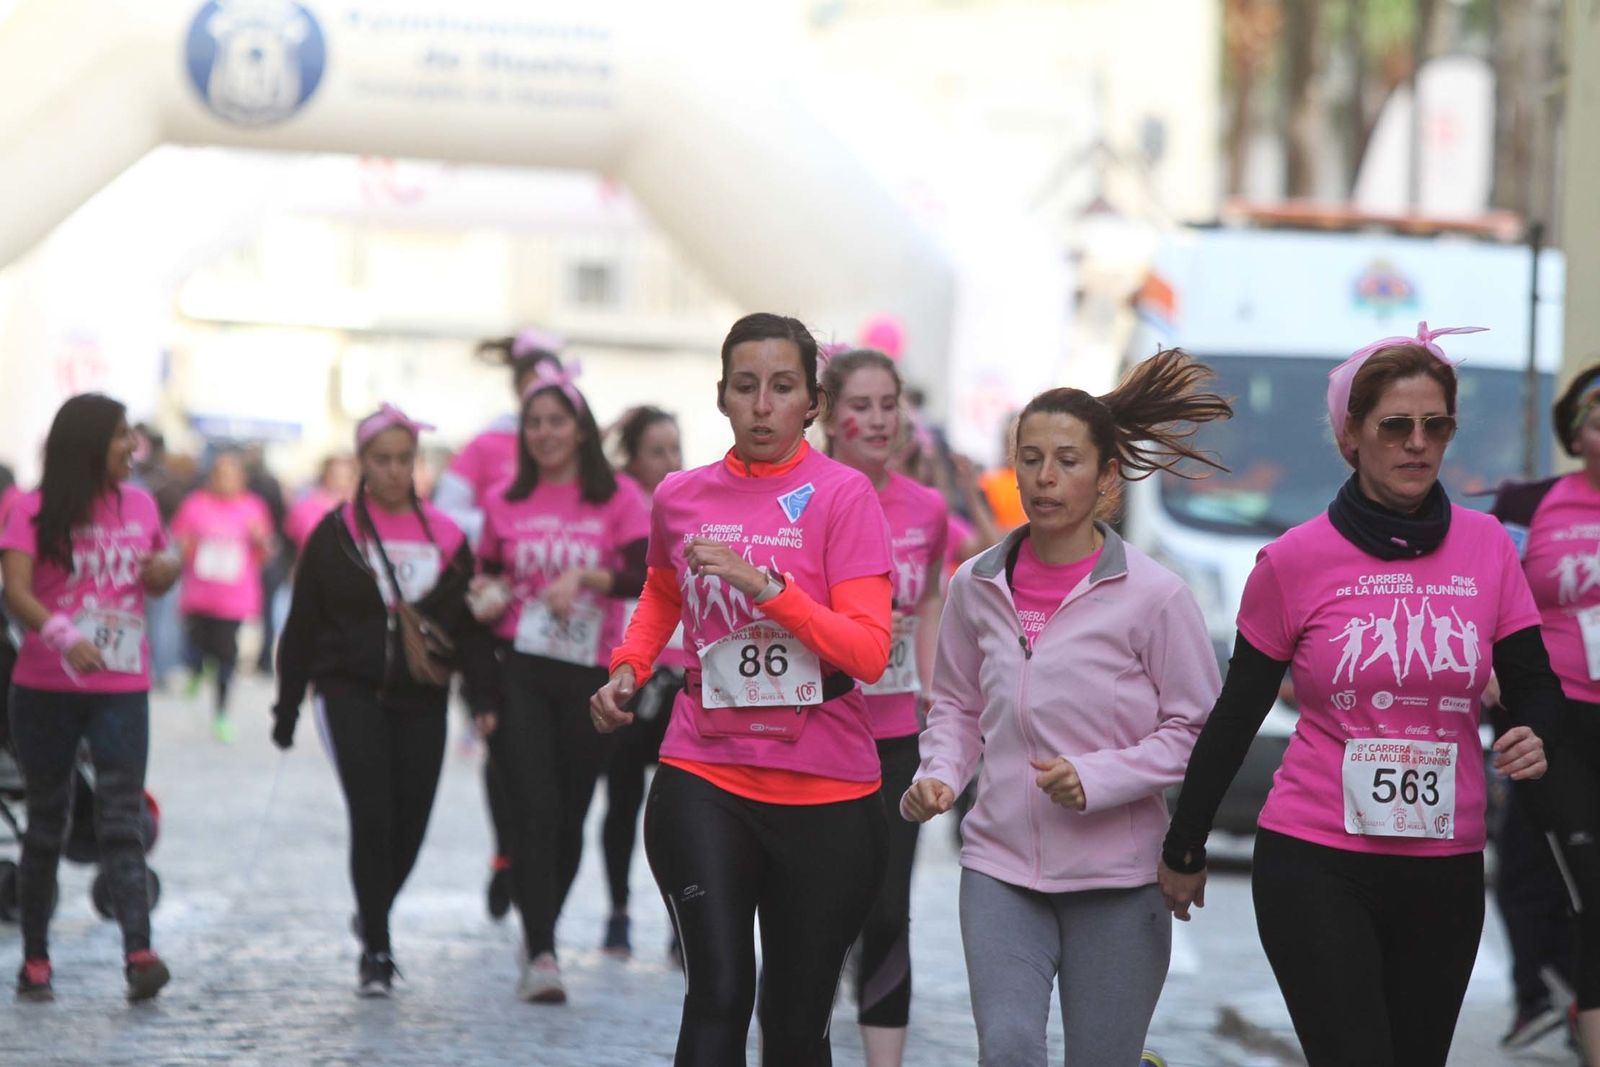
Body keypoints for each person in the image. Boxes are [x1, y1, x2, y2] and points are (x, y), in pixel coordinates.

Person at [1160, 323, 1560, 1066]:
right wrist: (1185, 842)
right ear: (1352, 436)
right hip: (1316, 857)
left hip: (1445, 861)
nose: (1418, 443)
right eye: (1396, 426)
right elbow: (1239, 709)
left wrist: (1534, 728)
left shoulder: (1486, 550)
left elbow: (1534, 684)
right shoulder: (1294, 560)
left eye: (1435, 425)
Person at [901, 351, 1229, 1065]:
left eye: (1068, 460)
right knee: (1010, 1049)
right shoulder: (974, 584)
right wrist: (940, 774)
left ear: (1107, 476)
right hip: (999, 865)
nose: (1046, 477)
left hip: (1119, 878)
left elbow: (1199, 729)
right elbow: (956, 704)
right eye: (1032, 458)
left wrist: (1100, 775)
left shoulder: (1155, 595)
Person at [592, 312, 895, 1064]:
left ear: (812, 402)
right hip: (706, 773)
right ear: (722, 396)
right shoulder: (681, 495)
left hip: (828, 790)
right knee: (719, 992)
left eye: (783, 387)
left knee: (794, 1026)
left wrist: (767, 587)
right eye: (746, 386)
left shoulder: (844, 496)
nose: (763, 405)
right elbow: (662, 593)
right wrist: (628, 667)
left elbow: (867, 651)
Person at [271, 404, 493, 997]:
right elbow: (303, 624)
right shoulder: (334, 532)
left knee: (411, 823)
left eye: (404, 460)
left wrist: (484, 701)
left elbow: (469, 629)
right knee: (372, 816)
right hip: (350, 690)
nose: (395, 472)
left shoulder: (448, 536)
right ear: (362, 463)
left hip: (424, 695)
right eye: (382, 460)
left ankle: (372, 909)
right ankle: (377, 948)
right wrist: (287, 706)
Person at [466, 362, 650, 1003]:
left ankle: (539, 926)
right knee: (533, 807)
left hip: (590, 676)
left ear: (580, 430)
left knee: (570, 812)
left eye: (556, 421)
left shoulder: (618, 497)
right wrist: (485, 598)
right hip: (520, 668)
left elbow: (639, 573)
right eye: (533, 422)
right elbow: (484, 582)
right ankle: (543, 951)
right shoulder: (505, 501)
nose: (544, 433)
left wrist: (587, 579)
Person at [1, 393, 181, 1002]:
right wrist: (62, 635)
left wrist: (169, 570)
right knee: (47, 822)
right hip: (45, 690)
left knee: (122, 820)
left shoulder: (140, 502)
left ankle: (139, 953)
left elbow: (160, 561)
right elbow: (16, 591)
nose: (133, 447)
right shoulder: (28, 507)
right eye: (121, 436)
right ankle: (35, 960)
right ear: (86, 445)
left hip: (121, 690)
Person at [819, 349, 947, 1067]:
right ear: (828, 414)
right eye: (859, 404)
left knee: (887, 908)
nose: (876, 419)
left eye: (887, 403)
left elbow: (928, 598)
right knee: (811, 910)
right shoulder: (803, 497)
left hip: (896, 733)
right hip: (815, 732)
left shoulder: (925, 507)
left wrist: (930, 690)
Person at [1487, 363, 1600, 1059]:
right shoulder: (1529, 505)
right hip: (1554, 717)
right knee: (1588, 875)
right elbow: (1489, 593)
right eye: (1597, 414)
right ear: (1576, 430)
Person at [432, 328, 564, 919]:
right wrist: (502, 534)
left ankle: (537, 857)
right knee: (503, 743)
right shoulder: (485, 447)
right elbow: (444, 513)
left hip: (564, 626)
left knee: (549, 759)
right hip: (495, 610)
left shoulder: (574, 449)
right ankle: (507, 855)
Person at [598, 405, 686, 959]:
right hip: (629, 670)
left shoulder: (690, 502)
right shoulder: (619, 501)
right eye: (658, 450)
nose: (672, 461)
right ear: (632, 457)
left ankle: (682, 922)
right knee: (622, 799)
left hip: (683, 675)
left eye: (676, 448)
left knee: (680, 807)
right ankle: (618, 912)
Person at [170, 449, 274, 742]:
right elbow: (180, 542)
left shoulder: (253, 508)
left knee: (227, 657)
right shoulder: (196, 504)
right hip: (199, 596)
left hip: (234, 599)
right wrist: (184, 546)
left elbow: (266, 554)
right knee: (198, 648)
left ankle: (222, 713)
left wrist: (260, 540)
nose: (225, 481)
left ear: (241, 479)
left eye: (231, 475)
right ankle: (195, 669)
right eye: (220, 474)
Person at [284, 454, 357, 554]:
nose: (339, 481)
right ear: (325, 475)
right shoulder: (305, 507)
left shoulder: (358, 508)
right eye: (335, 475)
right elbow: (290, 539)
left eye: (345, 476)